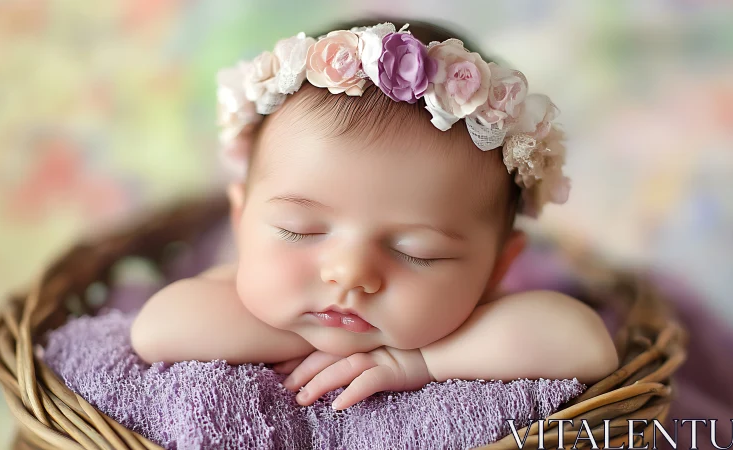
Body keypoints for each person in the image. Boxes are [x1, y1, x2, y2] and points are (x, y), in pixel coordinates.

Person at [130, 18, 619, 411]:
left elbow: (587, 344)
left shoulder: (482, 321)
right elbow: (157, 328)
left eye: (416, 252)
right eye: (299, 232)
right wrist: (306, 335)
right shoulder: (234, 292)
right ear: (241, 220)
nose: (350, 272)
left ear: (497, 267)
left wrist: (419, 361)